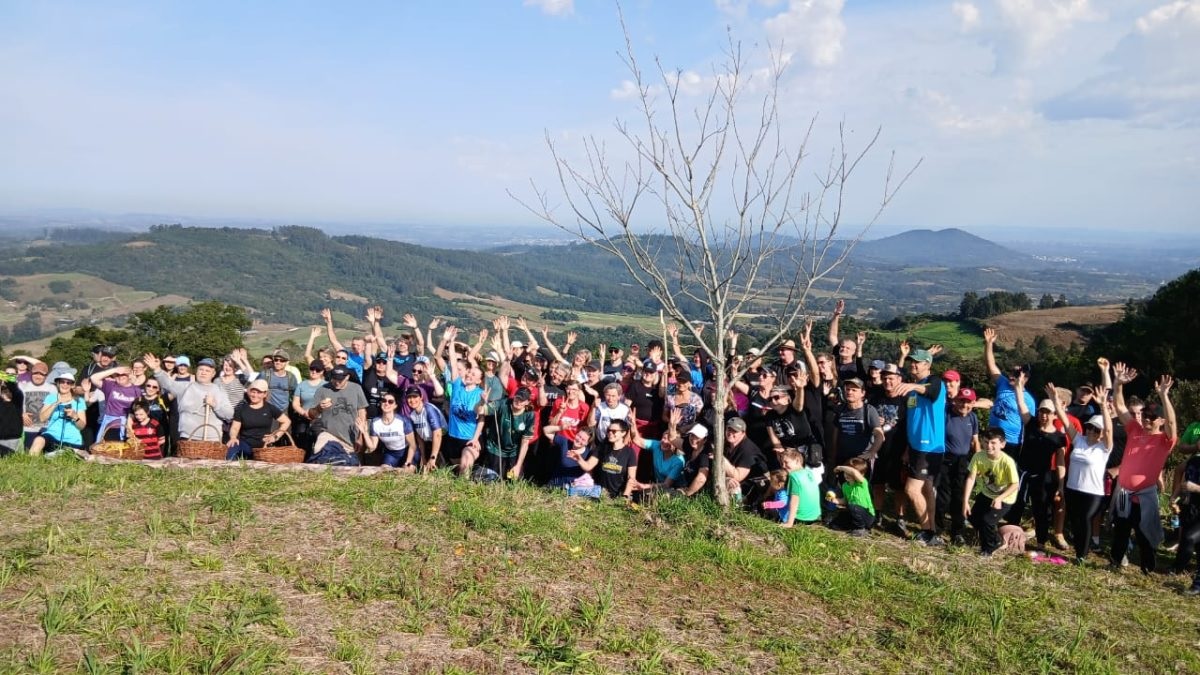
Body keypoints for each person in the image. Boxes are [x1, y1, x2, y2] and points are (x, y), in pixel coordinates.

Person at [1109, 364, 1177, 574]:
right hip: (1124, 491)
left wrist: (1164, 396)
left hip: (1145, 495)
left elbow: (1173, 423)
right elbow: (1120, 407)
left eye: (1152, 417)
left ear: (1161, 420)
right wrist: (1118, 384)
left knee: (1143, 531)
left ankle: (1147, 567)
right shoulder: (1135, 430)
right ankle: (1115, 562)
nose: (1147, 419)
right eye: (1145, 415)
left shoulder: (1165, 440)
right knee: (1120, 528)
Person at [1050, 383, 1113, 565]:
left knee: (1085, 519)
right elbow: (1066, 420)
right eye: (1090, 428)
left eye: (1096, 430)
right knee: (1076, 521)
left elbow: (1108, 429)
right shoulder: (1080, 440)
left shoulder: (1105, 448)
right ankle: (1078, 551)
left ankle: (1082, 556)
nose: (1092, 431)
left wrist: (1103, 406)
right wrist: (1055, 400)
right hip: (1073, 488)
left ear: (1101, 434)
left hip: (1093, 492)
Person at [894, 348, 947, 546]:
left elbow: (930, 391)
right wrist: (909, 448)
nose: (913, 364)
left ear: (927, 364)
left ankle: (926, 531)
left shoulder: (934, 382)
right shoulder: (914, 387)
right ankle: (932, 530)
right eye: (912, 361)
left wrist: (912, 386)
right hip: (916, 447)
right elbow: (913, 419)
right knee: (925, 489)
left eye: (917, 361)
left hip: (929, 446)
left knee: (911, 490)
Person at [1008, 376, 1068, 550]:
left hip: (1043, 477)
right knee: (1017, 505)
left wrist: (1061, 485)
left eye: (1048, 412)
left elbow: (1061, 462)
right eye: (1042, 411)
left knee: (1040, 510)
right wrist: (1019, 387)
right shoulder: (1031, 424)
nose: (1044, 415)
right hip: (1023, 472)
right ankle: (1011, 538)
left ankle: (1041, 543)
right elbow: (1021, 406)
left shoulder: (1059, 437)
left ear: (1054, 415)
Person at [144, 354, 232, 445]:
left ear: (213, 374)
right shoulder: (185, 387)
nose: (203, 372)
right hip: (187, 438)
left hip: (212, 440)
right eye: (201, 369)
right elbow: (167, 384)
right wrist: (157, 370)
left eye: (207, 371)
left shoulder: (219, 391)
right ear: (196, 371)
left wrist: (215, 404)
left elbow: (229, 414)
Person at [963, 428, 1021, 557]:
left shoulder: (1007, 462)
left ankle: (988, 549)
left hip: (1005, 497)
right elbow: (971, 478)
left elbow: (1015, 484)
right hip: (987, 493)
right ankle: (996, 539)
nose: (989, 446)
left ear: (1002, 444)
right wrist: (966, 501)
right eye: (986, 442)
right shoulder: (978, 456)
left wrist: (1000, 498)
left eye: (993, 443)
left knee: (987, 521)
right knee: (972, 517)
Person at [983, 328, 1035, 457]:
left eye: (1016, 374)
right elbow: (991, 365)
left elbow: (1030, 425)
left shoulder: (1028, 400)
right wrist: (989, 344)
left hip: (1011, 443)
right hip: (991, 438)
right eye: (1011, 372)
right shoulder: (1003, 383)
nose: (1011, 376)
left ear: (1025, 378)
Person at [939, 387, 981, 545]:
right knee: (943, 496)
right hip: (945, 459)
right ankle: (938, 528)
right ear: (955, 400)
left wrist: (979, 462)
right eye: (962, 401)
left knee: (959, 496)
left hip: (963, 461)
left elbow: (975, 441)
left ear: (973, 403)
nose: (965, 405)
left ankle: (957, 532)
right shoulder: (946, 414)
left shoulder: (973, 418)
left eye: (969, 402)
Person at [467, 387, 536, 481]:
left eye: (522, 400)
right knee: (492, 479)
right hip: (494, 448)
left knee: (512, 479)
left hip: (512, 452)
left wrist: (518, 465)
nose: (518, 401)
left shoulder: (529, 415)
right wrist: (481, 402)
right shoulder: (503, 404)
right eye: (517, 397)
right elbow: (479, 411)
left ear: (527, 402)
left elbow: (525, 442)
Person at [306, 365, 368, 457]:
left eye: (340, 380)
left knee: (349, 466)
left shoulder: (356, 388)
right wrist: (319, 408)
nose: (337, 382)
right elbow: (311, 415)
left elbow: (362, 411)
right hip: (328, 434)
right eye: (334, 379)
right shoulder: (323, 390)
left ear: (347, 377)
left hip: (350, 437)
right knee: (321, 456)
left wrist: (360, 436)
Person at [226, 379, 291, 460]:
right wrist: (233, 437)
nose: (255, 395)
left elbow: (286, 421)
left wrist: (275, 437)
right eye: (253, 392)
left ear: (265, 394)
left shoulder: (270, 408)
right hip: (245, 445)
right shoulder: (241, 409)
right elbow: (235, 427)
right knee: (232, 447)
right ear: (249, 392)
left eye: (259, 392)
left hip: (263, 446)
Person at [575, 418, 639, 499]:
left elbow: (631, 478)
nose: (610, 433)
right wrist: (578, 458)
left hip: (618, 496)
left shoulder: (629, 452)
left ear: (623, 433)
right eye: (609, 430)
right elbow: (588, 466)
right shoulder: (601, 448)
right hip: (598, 494)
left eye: (614, 431)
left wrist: (625, 497)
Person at [28, 369, 87, 456]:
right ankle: (29, 464)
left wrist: (75, 417)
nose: (65, 384)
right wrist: (56, 403)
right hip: (52, 436)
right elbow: (42, 418)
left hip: (73, 440)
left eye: (68, 383)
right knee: (39, 440)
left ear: (72, 385)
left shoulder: (79, 401)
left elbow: (82, 426)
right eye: (62, 382)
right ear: (58, 383)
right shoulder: (51, 398)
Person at [358, 392, 418, 471]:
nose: (386, 403)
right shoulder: (375, 422)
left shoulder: (403, 421)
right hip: (392, 453)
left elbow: (412, 445)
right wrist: (365, 433)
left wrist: (408, 462)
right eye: (384, 400)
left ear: (395, 406)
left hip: (407, 451)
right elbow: (372, 447)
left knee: (406, 473)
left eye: (390, 402)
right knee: (384, 473)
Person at [722, 417, 770, 508]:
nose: (730, 433)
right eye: (729, 429)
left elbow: (738, 476)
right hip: (738, 481)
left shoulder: (747, 450)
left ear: (743, 433)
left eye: (735, 431)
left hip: (756, 487)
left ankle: (737, 512)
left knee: (734, 486)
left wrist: (721, 458)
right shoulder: (727, 444)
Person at [90, 365, 141, 441]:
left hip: (127, 425)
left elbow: (138, 408)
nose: (120, 377)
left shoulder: (136, 390)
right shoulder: (110, 386)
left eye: (123, 374)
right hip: (111, 425)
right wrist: (114, 370)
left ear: (129, 375)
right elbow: (93, 378)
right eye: (117, 375)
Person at [830, 457, 875, 535]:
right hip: (854, 512)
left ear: (862, 475)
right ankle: (854, 527)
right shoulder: (845, 486)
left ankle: (861, 529)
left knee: (853, 506)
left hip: (867, 515)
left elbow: (854, 472)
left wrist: (840, 467)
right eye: (845, 473)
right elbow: (845, 500)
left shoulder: (862, 483)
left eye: (849, 473)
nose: (847, 475)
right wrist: (834, 500)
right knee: (834, 524)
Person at [405, 386, 446, 472]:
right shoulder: (412, 415)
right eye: (409, 397)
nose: (412, 400)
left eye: (415, 396)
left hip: (442, 442)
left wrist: (433, 457)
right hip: (428, 443)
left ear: (421, 397)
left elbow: (437, 434)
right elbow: (419, 437)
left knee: (439, 471)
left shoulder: (428, 409)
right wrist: (423, 457)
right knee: (425, 470)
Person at [780, 449, 821, 528]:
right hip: (815, 516)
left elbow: (794, 500)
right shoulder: (809, 472)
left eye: (786, 462)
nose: (783, 466)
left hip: (802, 518)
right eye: (782, 463)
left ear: (797, 460)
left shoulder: (794, 476)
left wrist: (789, 523)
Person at [0, 376, 24, 456]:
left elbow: (16, 391)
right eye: (5, 391)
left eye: (9, 391)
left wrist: (8, 379)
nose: (7, 393)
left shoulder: (17, 403)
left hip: (15, 439)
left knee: (15, 461)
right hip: (1, 439)